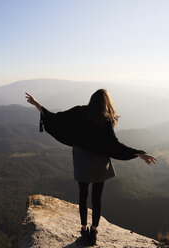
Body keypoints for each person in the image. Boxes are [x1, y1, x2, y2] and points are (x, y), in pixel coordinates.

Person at [25, 89, 157, 246]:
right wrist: (138, 154)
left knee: (82, 195)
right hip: (100, 163)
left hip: (82, 160)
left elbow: (56, 118)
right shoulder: (106, 120)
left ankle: (83, 228)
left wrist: (37, 104)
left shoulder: (79, 111)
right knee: (97, 198)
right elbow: (115, 146)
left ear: (92, 100)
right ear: (107, 102)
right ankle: (94, 231)